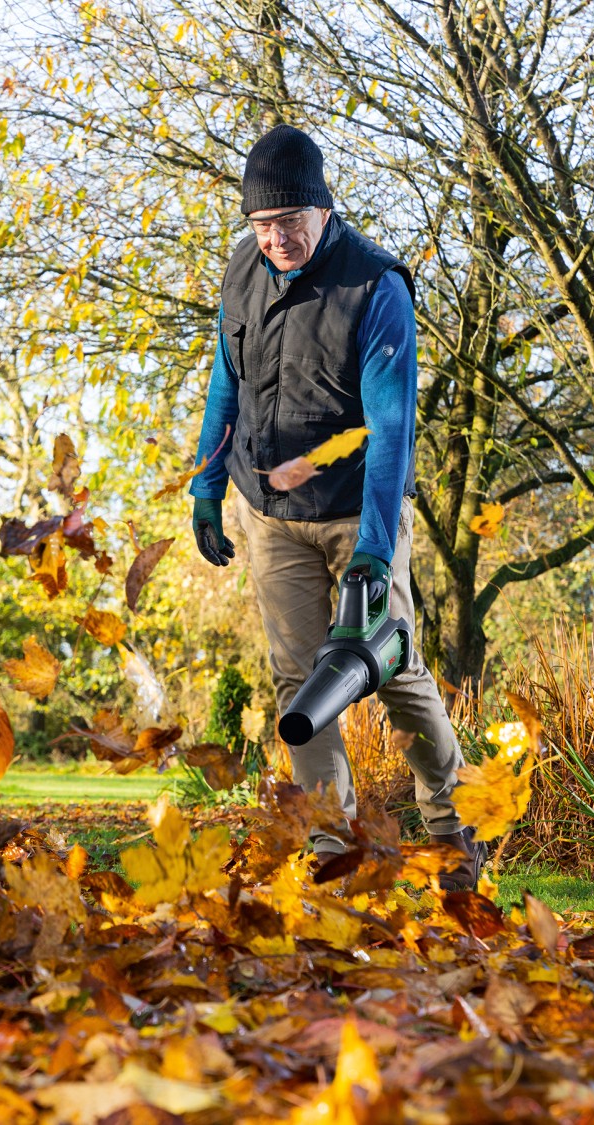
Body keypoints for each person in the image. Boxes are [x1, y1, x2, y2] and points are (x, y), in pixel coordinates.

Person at [187, 124, 483, 891]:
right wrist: (206, 484)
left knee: (387, 665)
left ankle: (453, 825)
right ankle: (332, 850)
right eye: (262, 225)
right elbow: (228, 384)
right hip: (270, 515)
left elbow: (393, 431)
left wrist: (377, 550)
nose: (277, 238)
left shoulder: (374, 286)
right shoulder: (241, 271)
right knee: (298, 681)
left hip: (360, 509)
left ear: (324, 208)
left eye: (290, 222)